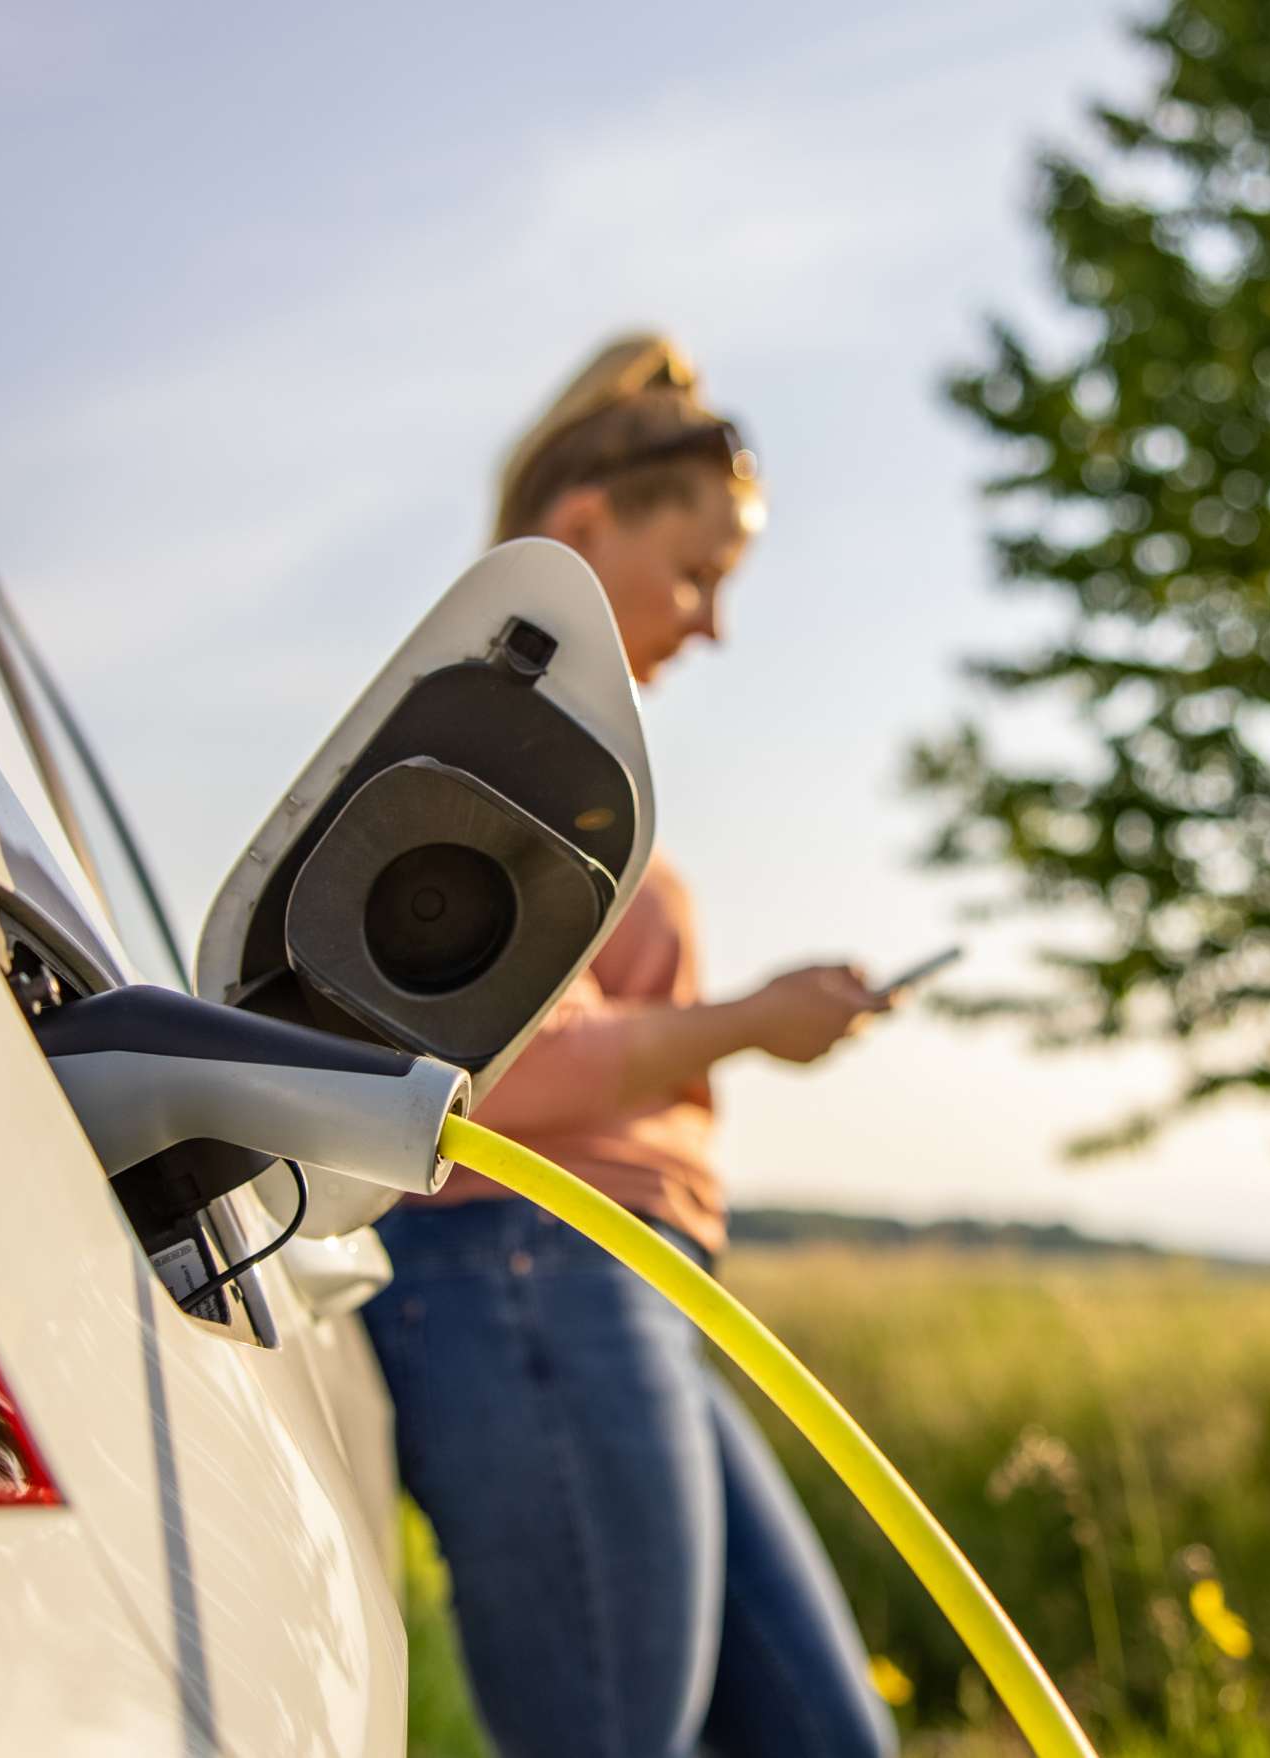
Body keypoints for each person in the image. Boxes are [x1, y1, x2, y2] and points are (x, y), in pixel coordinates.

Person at [362, 333, 901, 1758]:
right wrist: (744, 1025)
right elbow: (486, 1068)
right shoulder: (476, 739)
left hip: (613, 1290)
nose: (711, 623)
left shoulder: (548, 746)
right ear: (587, 527)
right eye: (699, 573)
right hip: (527, 1280)